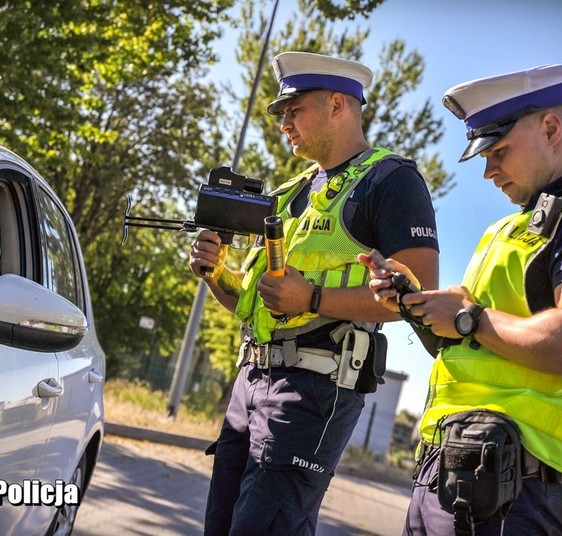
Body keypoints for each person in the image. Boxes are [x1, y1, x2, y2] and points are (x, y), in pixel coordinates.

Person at [364, 64, 562, 535]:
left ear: (551, 128)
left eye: (498, 150)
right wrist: (417, 305)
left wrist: (466, 317)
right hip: (455, 468)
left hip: (513, 487)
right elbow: (469, 344)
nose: (488, 171)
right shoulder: (510, 229)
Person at [188, 51, 439, 536]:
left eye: (294, 109)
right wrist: (214, 272)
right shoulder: (290, 192)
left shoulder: (390, 181)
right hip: (252, 378)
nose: (284, 123)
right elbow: (257, 300)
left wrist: (314, 299)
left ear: (338, 106)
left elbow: (421, 291)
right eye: (282, 113)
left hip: (314, 388)